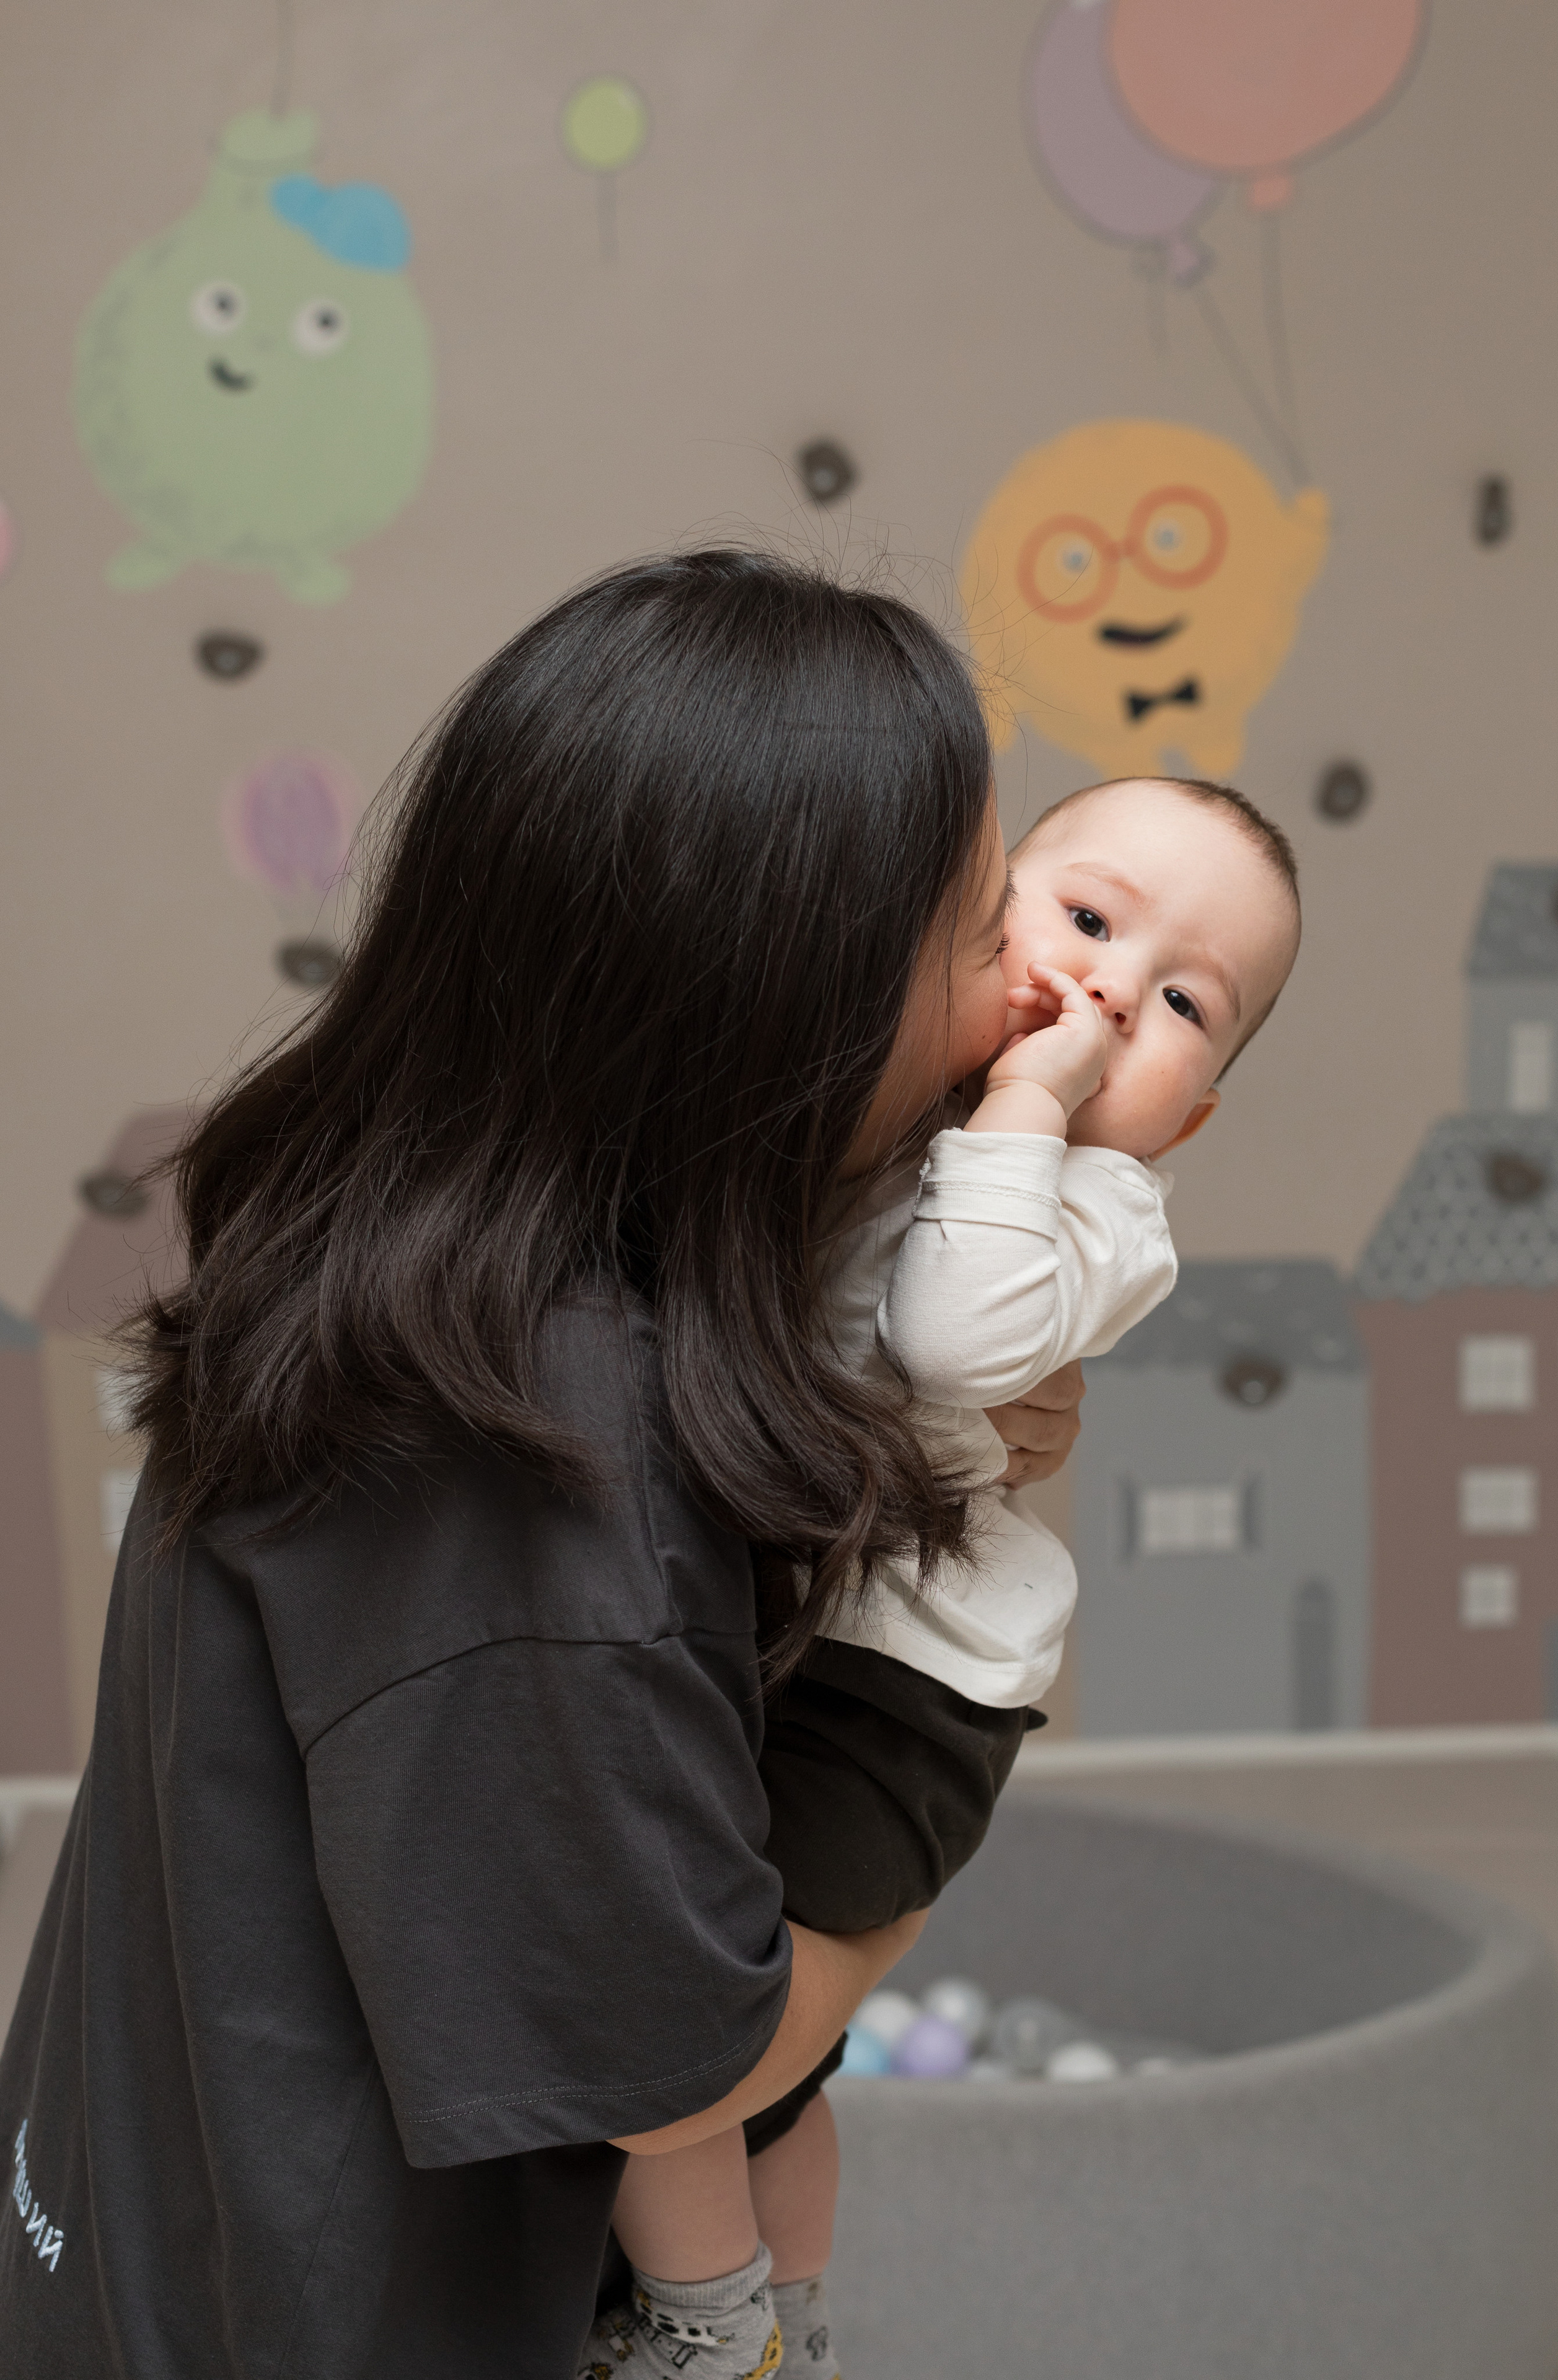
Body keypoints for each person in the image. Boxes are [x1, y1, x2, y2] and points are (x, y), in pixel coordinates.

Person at [0, 550, 1079, 2379]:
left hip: (116, 2218)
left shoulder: (383, 1229)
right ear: (783, 1010)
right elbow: (696, 2053)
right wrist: (939, 1750)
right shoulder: (544, 1486)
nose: (1044, 998)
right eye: (988, 934)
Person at [594, 774, 1302, 2378]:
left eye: (1185, 1000)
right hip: (814, 1639)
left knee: (687, 2039)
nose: (1118, 986)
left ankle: (705, 2333)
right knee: (781, 2077)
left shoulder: (1097, 1202)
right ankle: (794, 2315)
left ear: (1187, 1116)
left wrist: (1037, 1103)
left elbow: (951, 1331)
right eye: (1088, 920)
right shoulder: (900, 1126)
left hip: (907, 1689)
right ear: (968, 942)